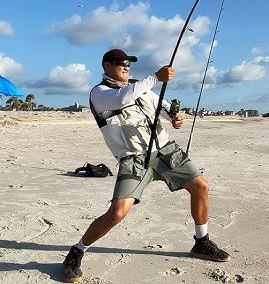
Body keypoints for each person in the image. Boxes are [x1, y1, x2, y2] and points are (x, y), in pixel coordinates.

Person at [60, 49, 229, 283]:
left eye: (128, 64)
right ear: (107, 66)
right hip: (133, 159)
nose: (126, 67)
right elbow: (122, 99)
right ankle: (76, 252)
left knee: (200, 186)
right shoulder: (99, 93)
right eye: (121, 64)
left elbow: (162, 106)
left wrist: (174, 117)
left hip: (165, 150)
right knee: (117, 212)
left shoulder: (141, 87)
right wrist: (157, 77)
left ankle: (202, 243)